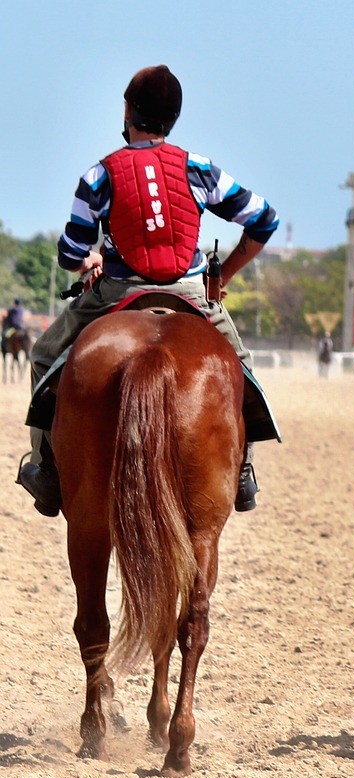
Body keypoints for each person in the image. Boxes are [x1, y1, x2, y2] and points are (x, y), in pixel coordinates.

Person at [17, 65, 278, 516]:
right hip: (193, 294)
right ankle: (242, 471)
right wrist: (227, 275)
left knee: (43, 354)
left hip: (117, 291)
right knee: (240, 366)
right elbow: (264, 219)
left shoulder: (99, 175)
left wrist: (89, 260)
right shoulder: (200, 169)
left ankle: (47, 470)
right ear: (173, 117)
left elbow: (70, 250)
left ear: (127, 111)